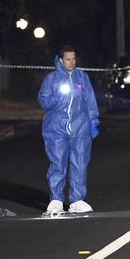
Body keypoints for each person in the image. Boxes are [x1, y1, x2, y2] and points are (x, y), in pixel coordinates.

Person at [38, 45, 99, 214]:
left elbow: (90, 100)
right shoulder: (51, 79)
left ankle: (77, 199)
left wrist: (93, 121)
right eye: (67, 59)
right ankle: (56, 199)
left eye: (73, 59)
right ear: (60, 60)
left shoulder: (82, 77)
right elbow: (43, 102)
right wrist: (57, 95)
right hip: (56, 127)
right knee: (58, 162)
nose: (71, 62)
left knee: (80, 161)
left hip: (80, 126)